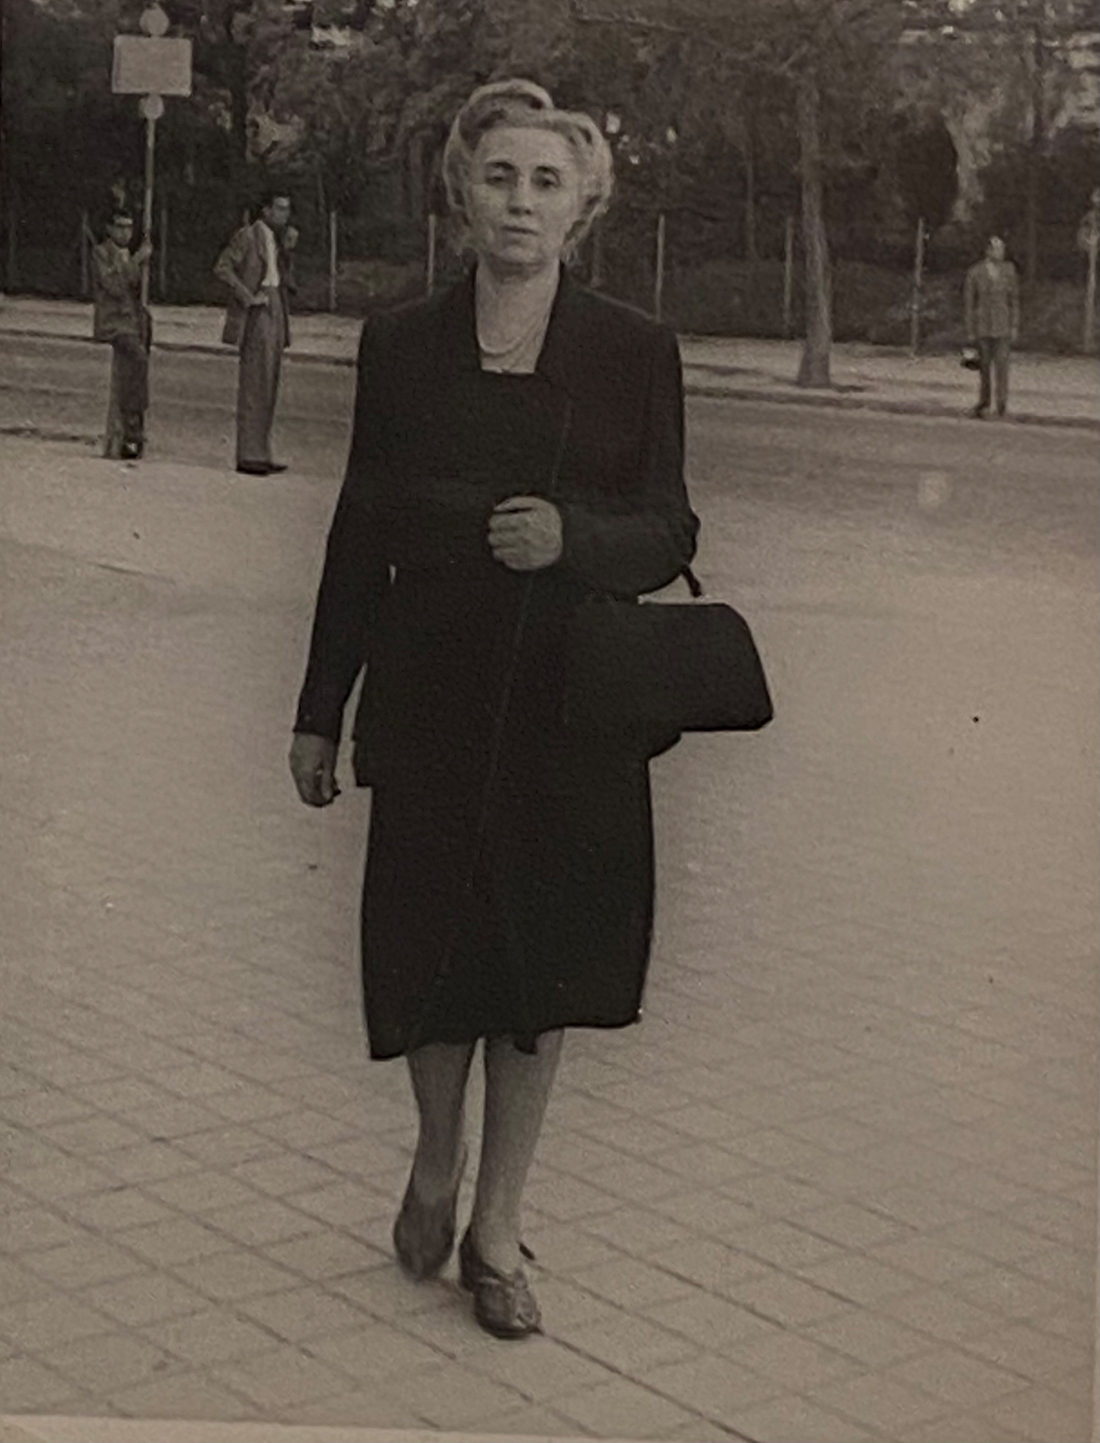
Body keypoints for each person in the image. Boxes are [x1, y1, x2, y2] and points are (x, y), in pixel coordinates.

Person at [288, 79, 699, 1340]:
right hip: (431, 698)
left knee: (541, 972)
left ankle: (498, 1227)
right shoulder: (400, 342)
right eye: (498, 177)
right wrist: (319, 708)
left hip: (570, 709)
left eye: (546, 183)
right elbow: (359, 527)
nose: (520, 201)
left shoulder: (635, 349)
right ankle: (431, 1159)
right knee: (432, 951)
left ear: (584, 207)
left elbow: (670, 527)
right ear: (460, 192)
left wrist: (575, 537)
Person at [214, 189, 298, 475]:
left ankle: (262, 451)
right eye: (281, 209)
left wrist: (287, 251)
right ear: (266, 210)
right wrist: (247, 296)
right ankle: (249, 454)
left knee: (269, 382)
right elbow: (223, 267)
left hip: (276, 306)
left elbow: (283, 277)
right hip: (258, 308)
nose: (285, 215)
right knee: (255, 382)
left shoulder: (276, 239)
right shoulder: (248, 235)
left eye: (287, 209)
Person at [91, 210, 151, 460]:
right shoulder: (101, 253)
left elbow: (136, 286)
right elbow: (113, 286)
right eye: (120, 227)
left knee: (137, 367)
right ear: (110, 229)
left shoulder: (129, 254)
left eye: (129, 227)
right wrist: (136, 261)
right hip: (114, 322)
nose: (126, 232)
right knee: (137, 360)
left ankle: (133, 426)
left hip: (133, 321)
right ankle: (132, 421)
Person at [964, 235, 1020, 419]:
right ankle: (984, 402)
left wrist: (1014, 325)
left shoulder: (1009, 270)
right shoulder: (975, 272)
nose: (1001, 253)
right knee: (984, 367)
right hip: (983, 325)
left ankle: (1002, 404)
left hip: (1002, 325)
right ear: (988, 251)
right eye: (997, 249)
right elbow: (969, 302)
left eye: (1002, 249)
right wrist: (970, 329)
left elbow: (1014, 300)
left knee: (1002, 366)